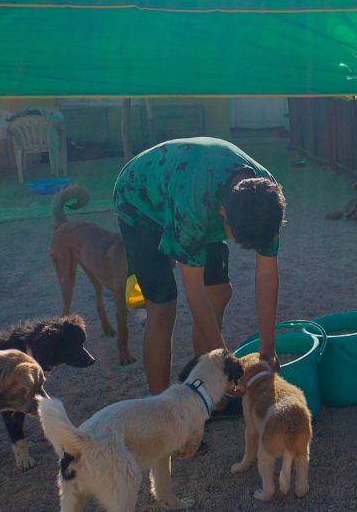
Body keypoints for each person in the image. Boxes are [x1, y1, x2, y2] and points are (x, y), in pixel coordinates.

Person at [113, 137, 285, 402]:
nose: (235, 243)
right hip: (139, 199)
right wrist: (226, 361)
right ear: (222, 213)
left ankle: (205, 391)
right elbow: (194, 290)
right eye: (234, 236)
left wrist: (268, 347)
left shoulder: (266, 199)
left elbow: (266, 274)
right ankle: (163, 411)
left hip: (193, 183)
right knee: (163, 306)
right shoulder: (194, 206)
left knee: (219, 291)